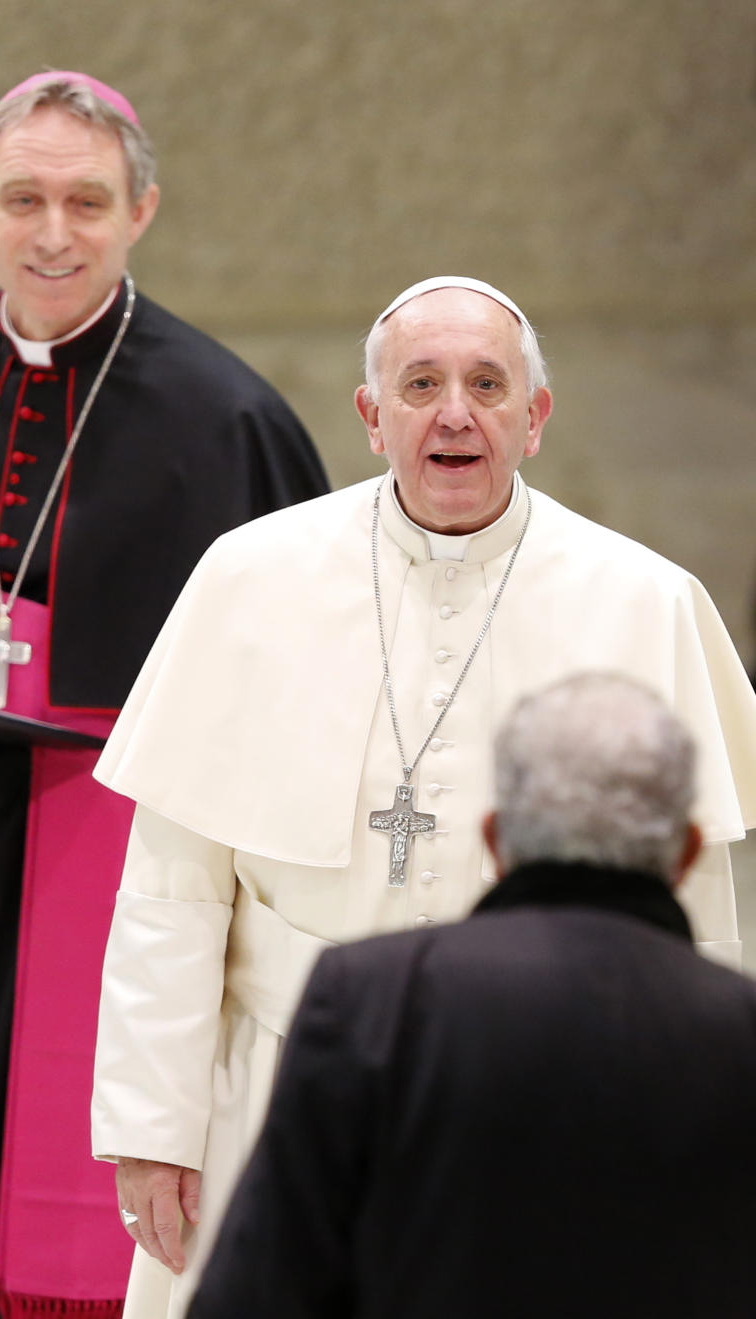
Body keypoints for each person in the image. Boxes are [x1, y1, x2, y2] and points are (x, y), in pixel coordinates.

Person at [91, 276, 756, 1319]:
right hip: (271, 1087)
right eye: (421, 382)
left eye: (488, 383)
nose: (455, 411)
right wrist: (152, 1127)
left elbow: (699, 919)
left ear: (534, 418)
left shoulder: (645, 599)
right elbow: (172, 891)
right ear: (370, 416)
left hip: (543, 1104)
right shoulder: (247, 580)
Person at [0, 71, 327, 1319]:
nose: (52, 231)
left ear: (141, 210)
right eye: (22, 197)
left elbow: (286, 679)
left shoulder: (228, 410)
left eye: (85, 201)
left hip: (118, 853)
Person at [186, 673, 756, 1319]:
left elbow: (264, 1287)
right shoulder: (740, 1028)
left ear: (495, 838)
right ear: (686, 851)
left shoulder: (374, 998)